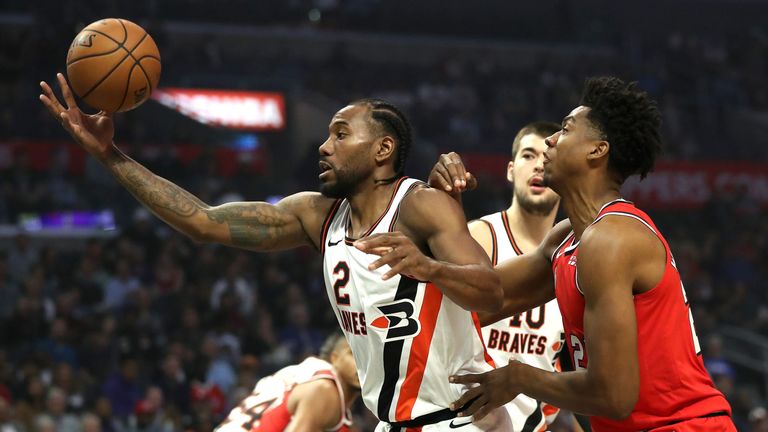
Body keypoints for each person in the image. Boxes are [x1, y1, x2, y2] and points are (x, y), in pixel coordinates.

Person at [39, 75, 510, 431]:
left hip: (464, 418)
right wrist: (110, 155)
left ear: (383, 148)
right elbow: (202, 222)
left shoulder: (420, 205)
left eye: (341, 134)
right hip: (394, 422)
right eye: (327, 135)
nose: (324, 147)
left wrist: (428, 267)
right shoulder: (315, 215)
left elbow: (492, 294)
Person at [425, 76, 736, 431]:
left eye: (566, 129)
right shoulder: (567, 239)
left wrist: (519, 378)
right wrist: (445, 212)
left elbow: (613, 396)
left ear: (597, 150)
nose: (550, 141)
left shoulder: (612, 239)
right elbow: (484, 299)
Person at [434, 122, 573, 431]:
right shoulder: (478, 238)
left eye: (547, 157)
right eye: (528, 155)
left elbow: (566, 373)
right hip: (460, 421)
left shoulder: (574, 258)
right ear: (510, 170)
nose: (538, 165)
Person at [215, 333, 359, 432]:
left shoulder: (297, 374)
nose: (364, 364)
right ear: (334, 358)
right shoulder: (325, 389)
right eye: (354, 354)